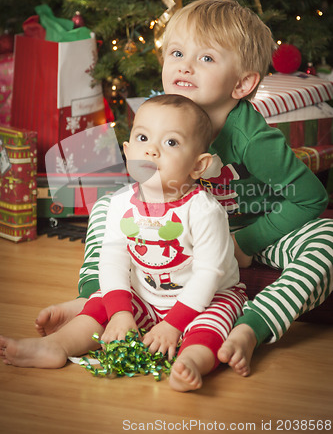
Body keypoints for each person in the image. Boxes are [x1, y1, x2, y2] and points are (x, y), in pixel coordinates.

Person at [36, 0, 333, 377]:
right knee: (108, 207)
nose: (184, 65)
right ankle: (97, 299)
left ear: (242, 83)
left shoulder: (252, 139)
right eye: (176, 52)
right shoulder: (164, 114)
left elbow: (310, 197)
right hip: (184, 230)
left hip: (250, 233)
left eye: (206, 58)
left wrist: (245, 244)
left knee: (326, 238)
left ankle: (252, 326)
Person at [0, 94, 247, 392]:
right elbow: (114, 258)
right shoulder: (120, 203)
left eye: (171, 143)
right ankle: (56, 346)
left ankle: (191, 361)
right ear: (128, 152)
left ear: (198, 165)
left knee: (213, 324)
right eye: (143, 138)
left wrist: (173, 324)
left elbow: (210, 273)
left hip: (207, 298)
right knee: (102, 303)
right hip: (147, 293)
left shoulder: (203, 209)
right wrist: (120, 313)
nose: (151, 150)